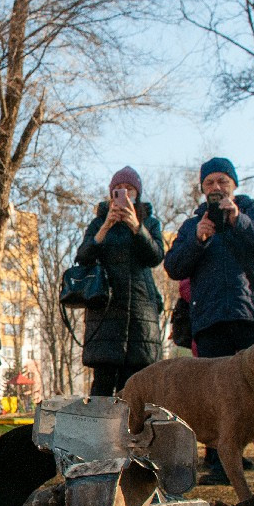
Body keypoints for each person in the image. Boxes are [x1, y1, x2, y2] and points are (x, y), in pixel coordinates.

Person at [163, 157, 254, 486]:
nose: (215, 188)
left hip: (253, 318)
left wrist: (238, 220)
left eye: (221, 181)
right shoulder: (193, 224)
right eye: (209, 184)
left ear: (233, 183)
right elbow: (174, 266)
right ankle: (219, 465)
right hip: (209, 322)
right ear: (202, 190)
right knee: (212, 394)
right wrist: (198, 239)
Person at [74, 166, 165, 397]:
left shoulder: (150, 223)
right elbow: (83, 257)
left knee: (136, 387)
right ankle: (97, 433)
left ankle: (132, 434)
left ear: (138, 193)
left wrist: (136, 226)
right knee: (102, 384)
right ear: (111, 193)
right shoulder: (98, 223)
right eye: (118, 189)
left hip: (139, 314)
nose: (124, 192)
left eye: (129, 189)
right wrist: (105, 227)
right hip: (105, 312)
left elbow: (155, 256)